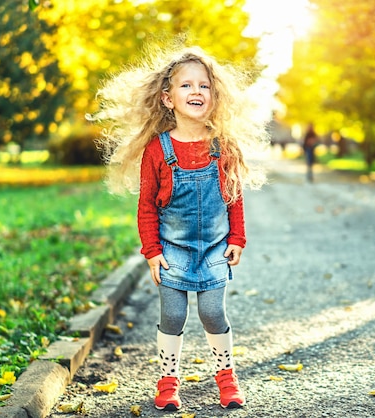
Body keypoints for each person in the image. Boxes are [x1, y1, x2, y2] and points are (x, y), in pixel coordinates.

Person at [89, 43, 268, 411]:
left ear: (215, 97)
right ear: (168, 98)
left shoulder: (224, 147)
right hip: (172, 251)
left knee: (212, 312)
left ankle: (226, 376)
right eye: (186, 86)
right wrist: (152, 252)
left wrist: (237, 237)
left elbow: (234, 196)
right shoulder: (158, 149)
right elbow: (147, 207)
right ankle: (168, 381)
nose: (196, 92)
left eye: (204, 86)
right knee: (172, 314)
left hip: (215, 248)